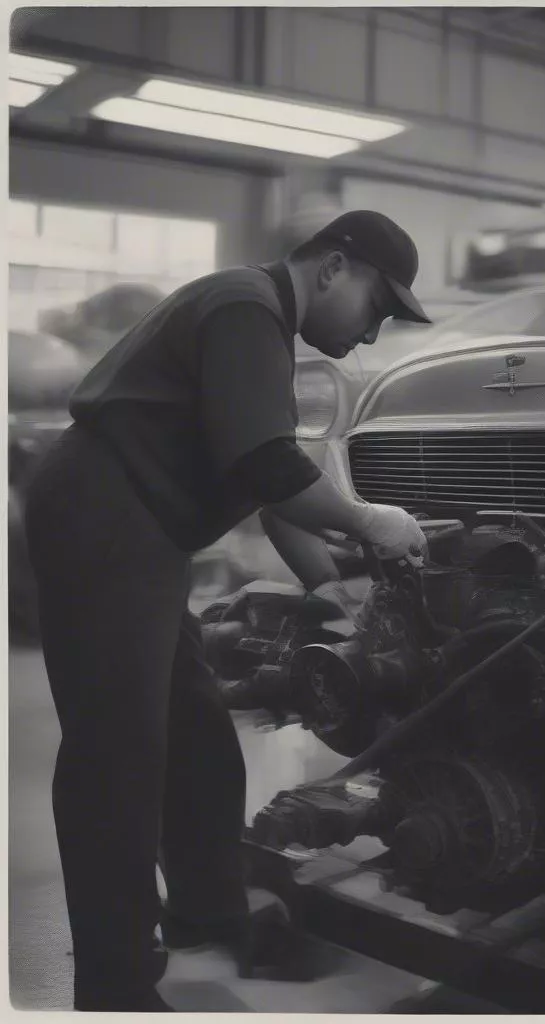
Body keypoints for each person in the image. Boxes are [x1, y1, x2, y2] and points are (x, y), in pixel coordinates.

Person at [24, 210, 431, 1011]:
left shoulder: (261, 330)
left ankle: (207, 911)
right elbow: (270, 468)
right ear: (332, 268)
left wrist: (342, 593)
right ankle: (112, 983)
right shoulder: (245, 308)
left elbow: (269, 496)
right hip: (105, 515)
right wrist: (369, 521)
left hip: (137, 525)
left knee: (199, 733)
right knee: (119, 756)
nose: (374, 333)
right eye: (377, 307)